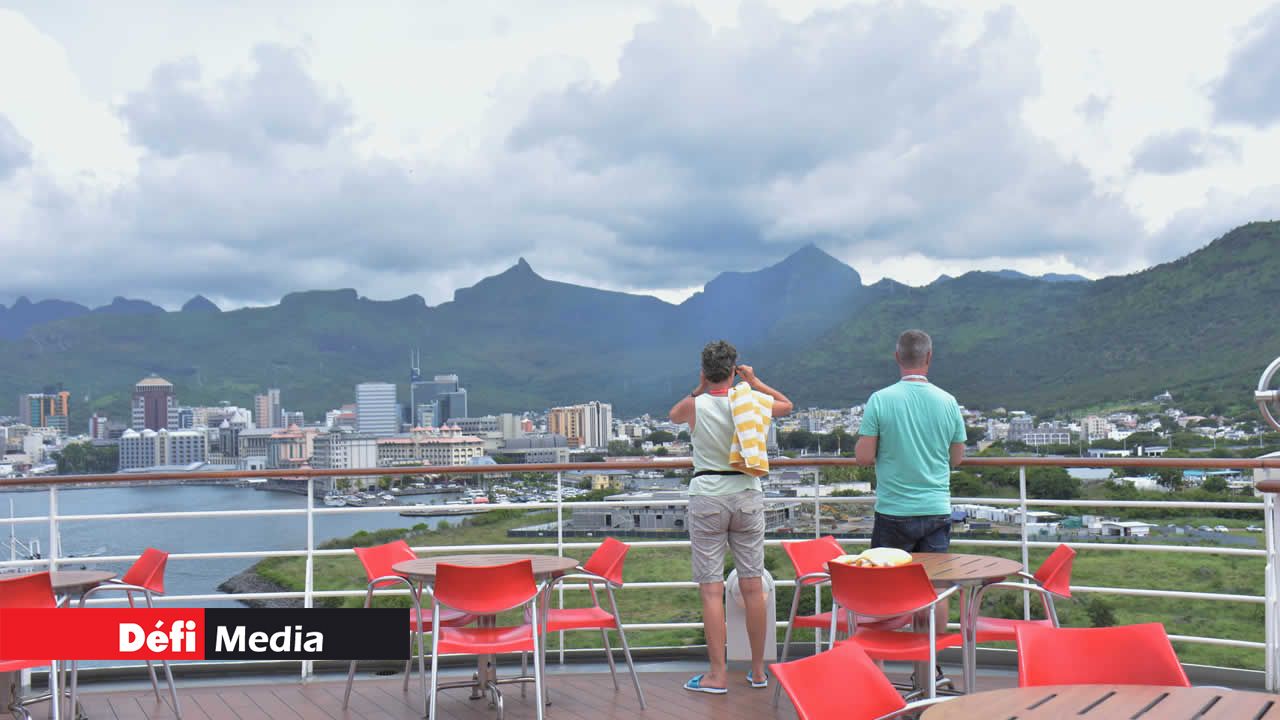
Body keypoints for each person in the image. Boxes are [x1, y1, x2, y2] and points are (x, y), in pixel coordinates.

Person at [669, 340, 792, 695]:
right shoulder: (750, 401)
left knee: (711, 591)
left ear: (705, 372)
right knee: (753, 587)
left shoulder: (695, 404)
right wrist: (754, 382)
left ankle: (718, 676)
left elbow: (673, 415)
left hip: (707, 495)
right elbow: (786, 405)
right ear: (734, 370)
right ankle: (758, 672)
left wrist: (699, 388)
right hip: (747, 493)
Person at [855, 329, 966, 552]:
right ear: (929, 357)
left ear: (897, 357)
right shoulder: (949, 401)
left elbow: (864, 457)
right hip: (936, 508)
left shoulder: (879, 399)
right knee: (934, 574)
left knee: (891, 574)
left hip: (894, 510)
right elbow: (956, 458)